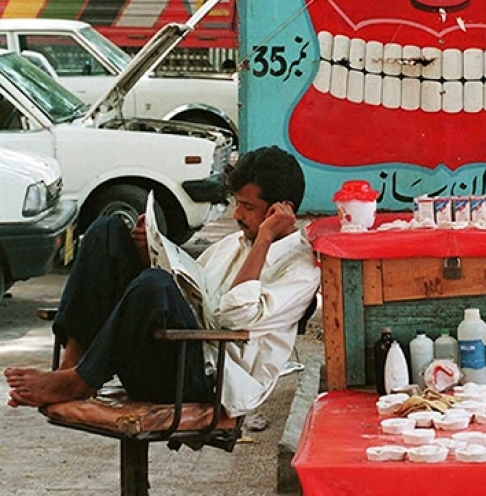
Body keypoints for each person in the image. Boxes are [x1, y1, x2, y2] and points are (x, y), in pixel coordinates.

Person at [4, 145, 321, 417]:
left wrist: (265, 239)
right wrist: (150, 253)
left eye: (248, 207)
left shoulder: (301, 271)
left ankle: (81, 380)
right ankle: (70, 366)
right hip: (168, 348)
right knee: (106, 231)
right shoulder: (234, 244)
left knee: (155, 285)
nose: (237, 215)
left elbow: (230, 317)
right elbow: (191, 289)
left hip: (202, 376)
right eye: (237, 204)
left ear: (282, 211)